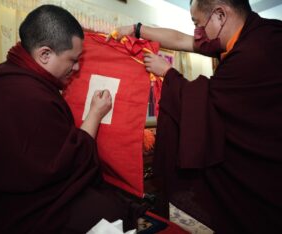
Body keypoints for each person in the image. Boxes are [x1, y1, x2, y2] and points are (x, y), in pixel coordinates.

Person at [108, 0, 282, 233]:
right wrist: (137, 29)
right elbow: (182, 41)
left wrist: (169, 74)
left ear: (221, 15)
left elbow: (207, 106)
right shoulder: (239, 37)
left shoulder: (257, 50)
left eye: (199, 24)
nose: (197, 33)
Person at [0, 4, 147, 234]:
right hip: (14, 208)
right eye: (73, 59)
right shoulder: (30, 97)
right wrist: (94, 114)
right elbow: (65, 165)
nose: (76, 68)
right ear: (44, 54)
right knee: (113, 210)